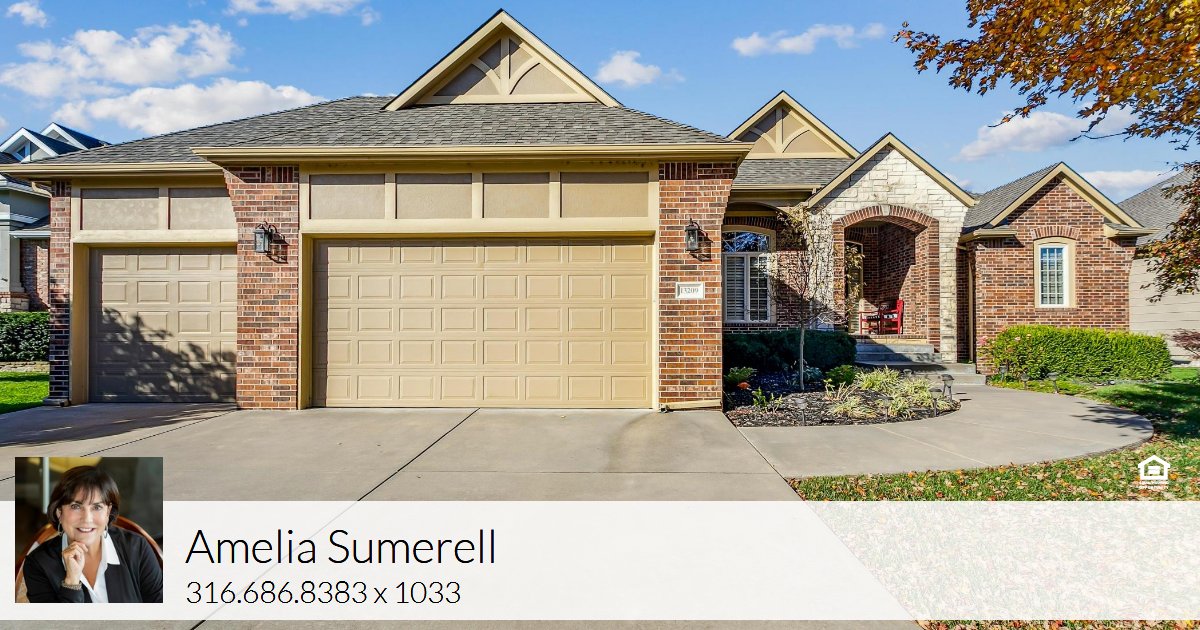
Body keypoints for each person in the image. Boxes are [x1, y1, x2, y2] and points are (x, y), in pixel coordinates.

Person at [22, 465, 163, 603]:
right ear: (59, 512)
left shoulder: (137, 548)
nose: (87, 519)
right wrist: (71, 581)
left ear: (108, 512)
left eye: (97, 507)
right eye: (76, 506)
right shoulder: (38, 564)